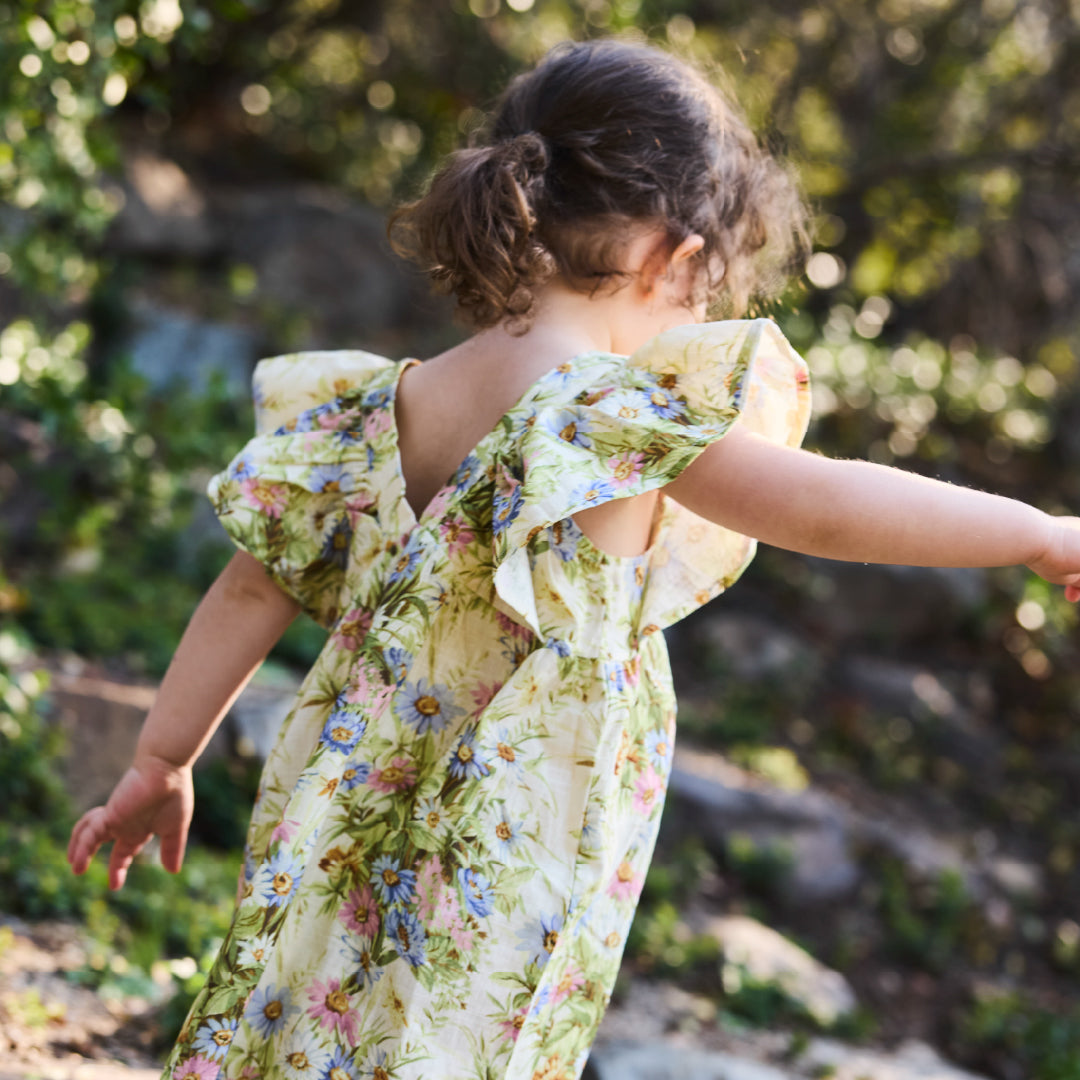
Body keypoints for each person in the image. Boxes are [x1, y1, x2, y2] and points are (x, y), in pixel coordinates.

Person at [67, 37, 1080, 1080]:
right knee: (451, 1047)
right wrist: (1041, 535)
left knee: (307, 1015)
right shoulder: (611, 415)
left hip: (347, 802)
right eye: (707, 289)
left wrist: (162, 760)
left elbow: (250, 583)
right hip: (509, 840)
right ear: (672, 259)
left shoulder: (384, 405)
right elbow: (823, 507)